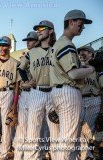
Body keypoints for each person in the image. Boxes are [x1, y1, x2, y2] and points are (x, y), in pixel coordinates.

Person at [49, 9, 94, 159]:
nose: (82, 27)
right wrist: (90, 69)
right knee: (68, 139)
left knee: (65, 138)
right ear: (71, 22)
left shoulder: (58, 44)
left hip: (59, 91)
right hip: (68, 92)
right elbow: (73, 74)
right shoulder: (66, 44)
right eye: (80, 23)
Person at [19, 20, 57, 160]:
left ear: (51, 31)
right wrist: (26, 81)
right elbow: (21, 68)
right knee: (33, 131)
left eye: (42, 28)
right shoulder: (32, 52)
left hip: (55, 93)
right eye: (37, 29)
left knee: (55, 131)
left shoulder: (57, 49)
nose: (39, 31)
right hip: (36, 92)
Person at [13, 31, 38, 160]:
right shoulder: (25, 57)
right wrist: (26, 83)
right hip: (25, 94)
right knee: (22, 127)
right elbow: (20, 73)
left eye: (31, 40)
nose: (28, 42)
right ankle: (18, 156)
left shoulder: (42, 55)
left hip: (37, 93)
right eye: (27, 40)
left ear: (37, 41)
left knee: (36, 128)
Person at [77, 46, 103, 159]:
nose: (82, 53)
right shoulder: (76, 69)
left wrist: (102, 109)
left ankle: (87, 154)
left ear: (91, 55)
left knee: (88, 128)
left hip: (94, 99)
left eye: (86, 51)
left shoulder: (97, 69)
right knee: (79, 127)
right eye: (80, 51)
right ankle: (88, 152)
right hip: (80, 99)